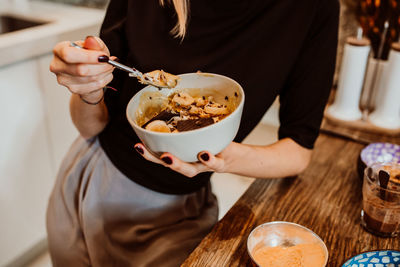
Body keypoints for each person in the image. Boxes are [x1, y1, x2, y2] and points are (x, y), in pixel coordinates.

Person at [47, 0, 339, 266]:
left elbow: (298, 150)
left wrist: (225, 159)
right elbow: (90, 126)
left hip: (180, 214)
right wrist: (87, 88)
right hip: (92, 183)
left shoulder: (312, 9)